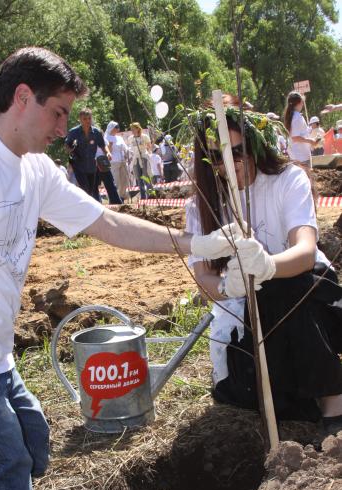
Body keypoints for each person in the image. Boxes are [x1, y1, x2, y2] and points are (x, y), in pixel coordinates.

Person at [0, 46, 220, 490]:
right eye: (57, 113)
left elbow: (109, 224)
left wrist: (198, 242)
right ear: (22, 97)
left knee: (33, 453)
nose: (63, 128)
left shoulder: (34, 170)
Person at [186, 107, 342, 434]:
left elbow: (304, 251)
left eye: (237, 151)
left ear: (255, 145)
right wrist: (231, 286)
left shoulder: (287, 180)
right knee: (244, 392)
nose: (228, 164)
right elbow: (204, 278)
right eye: (214, 156)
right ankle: (300, 399)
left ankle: (334, 400)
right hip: (246, 311)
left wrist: (268, 266)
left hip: (310, 297)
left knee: (283, 285)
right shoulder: (202, 204)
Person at [64, 108, 110, 202]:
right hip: (78, 165)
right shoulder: (73, 132)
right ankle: (86, 211)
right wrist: (71, 149)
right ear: (80, 120)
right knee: (85, 188)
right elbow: (66, 146)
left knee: (91, 191)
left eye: (89, 118)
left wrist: (108, 153)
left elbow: (103, 146)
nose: (88, 121)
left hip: (92, 167)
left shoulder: (96, 132)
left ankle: (83, 208)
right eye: (85, 119)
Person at [284, 91, 317, 167]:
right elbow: (295, 137)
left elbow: (298, 133)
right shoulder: (296, 117)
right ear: (299, 103)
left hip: (297, 155)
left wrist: (308, 130)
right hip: (301, 156)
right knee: (305, 177)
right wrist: (310, 141)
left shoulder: (293, 116)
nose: (303, 104)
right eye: (302, 102)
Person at [104, 120, 130, 201]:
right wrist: (110, 145)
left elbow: (125, 147)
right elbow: (106, 151)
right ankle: (114, 198)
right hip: (113, 162)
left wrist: (128, 153)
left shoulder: (119, 138)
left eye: (118, 127)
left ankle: (122, 196)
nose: (118, 129)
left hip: (122, 161)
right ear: (111, 128)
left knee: (124, 180)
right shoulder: (105, 138)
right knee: (116, 181)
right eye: (116, 127)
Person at [128, 122, 152, 200]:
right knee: (139, 179)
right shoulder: (131, 138)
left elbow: (149, 147)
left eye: (133, 128)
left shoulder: (144, 136)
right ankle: (143, 196)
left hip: (143, 157)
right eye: (131, 129)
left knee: (146, 177)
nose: (132, 130)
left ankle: (151, 195)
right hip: (135, 159)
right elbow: (131, 149)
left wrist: (148, 155)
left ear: (138, 128)